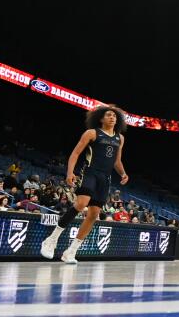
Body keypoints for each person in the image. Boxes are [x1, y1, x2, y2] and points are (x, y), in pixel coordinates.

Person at [39, 104, 129, 264]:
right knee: (81, 204)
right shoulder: (92, 133)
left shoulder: (120, 138)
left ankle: (71, 251)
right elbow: (75, 153)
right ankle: (51, 240)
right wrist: (69, 172)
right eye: (108, 115)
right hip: (90, 173)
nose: (112, 117)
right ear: (101, 118)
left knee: (94, 214)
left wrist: (123, 173)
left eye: (114, 115)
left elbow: (117, 161)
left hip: (105, 178)